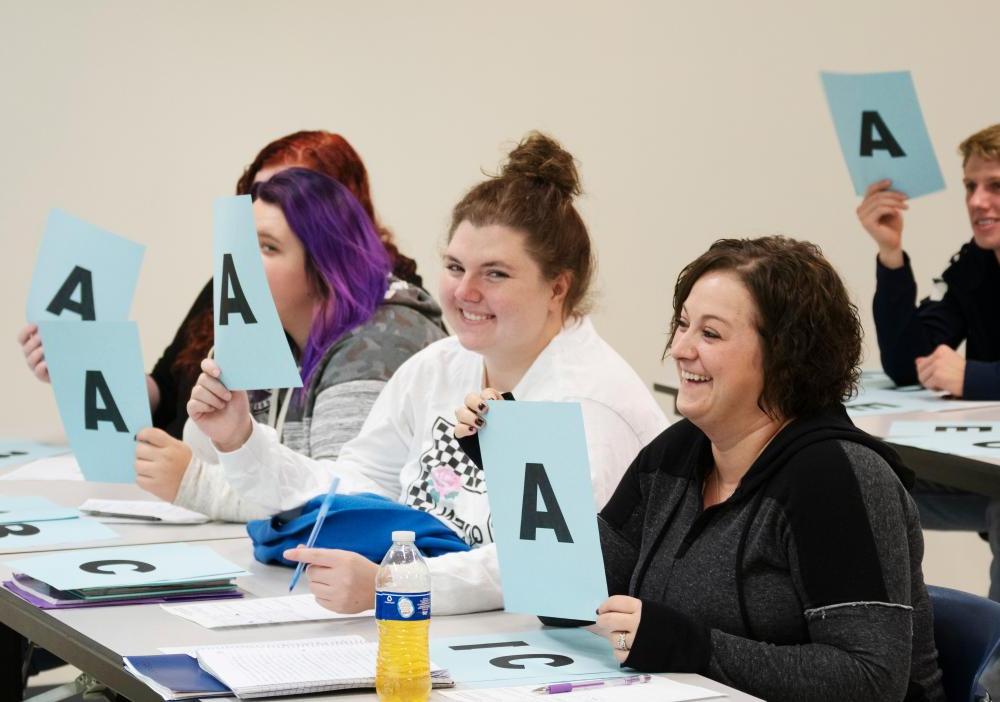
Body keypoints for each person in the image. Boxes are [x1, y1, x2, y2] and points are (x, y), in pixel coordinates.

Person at [186, 132, 668, 614]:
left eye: (495, 273)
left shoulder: (590, 407)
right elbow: (351, 487)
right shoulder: (437, 367)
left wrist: (390, 582)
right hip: (441, 628)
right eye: (455, 267)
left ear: (557, 287)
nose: (465, 291)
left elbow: (544, 571)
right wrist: (240, 441)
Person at [583, 237, 943, 701]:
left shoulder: (837, 478)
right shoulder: (678, 454)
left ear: (784, 356)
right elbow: (569, 594)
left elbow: (871, 679)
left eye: (709, 334)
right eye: (684, 324)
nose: (680, 349)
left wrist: (695, 648)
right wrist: (508, 457)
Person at [17, 130, 424, 439]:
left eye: (294, 199)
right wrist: (84, 365)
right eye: (258, 197)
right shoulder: (235, 281)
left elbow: (330, 478)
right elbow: (165, 391)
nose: (269, 205)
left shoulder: (377, 317)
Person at [139, 167, 445, 520]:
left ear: (327, 264)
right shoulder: (276, 326)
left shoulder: (379, 342)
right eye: (245, 244)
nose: (245, 262)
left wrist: (195, 484)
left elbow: (343, 504)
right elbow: (208, 451)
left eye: (268, 247)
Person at [856, 122, 1000, 601]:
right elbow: (906, 361)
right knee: (859, 482)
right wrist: (890, 253)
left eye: (995, 186)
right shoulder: (977, 264)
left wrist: (975, 377)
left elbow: (967, 378)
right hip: (985, 470)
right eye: (970, 187)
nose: (978, 201)